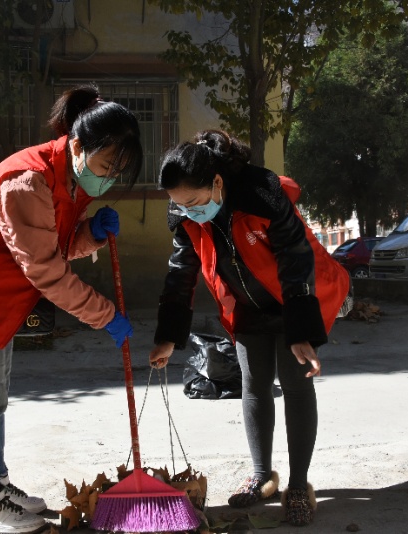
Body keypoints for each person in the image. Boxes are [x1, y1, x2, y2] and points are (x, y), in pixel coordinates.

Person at [0, 84, 143, 534]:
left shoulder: (70, 175)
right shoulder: (27, 180)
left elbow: (56, 244)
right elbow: (45, 271)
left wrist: (91, 234)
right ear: (79, 145)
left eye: (117, 174)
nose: (108, 180)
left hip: (1, 294)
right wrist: (105, 316)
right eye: (106, 167)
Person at [148, 129, 349, 527]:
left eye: (192, 202)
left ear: (217, 182)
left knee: (295, 384)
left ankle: (298, 484)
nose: (187, 211)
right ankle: (261, 476)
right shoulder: (185, 213)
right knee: (254, 384)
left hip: (291, 299)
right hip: (246, 306)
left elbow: (295, 258)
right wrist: (168, 337)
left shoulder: (262, 194)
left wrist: (301, 331)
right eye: (178, 205)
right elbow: (181, 273)